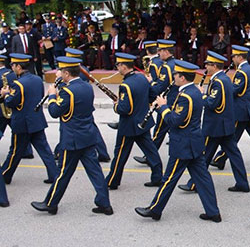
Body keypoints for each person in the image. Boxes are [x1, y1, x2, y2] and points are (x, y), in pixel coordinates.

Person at [135, 59, 221, 222]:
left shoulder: (186, 96)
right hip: (194, 142)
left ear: (182, 78)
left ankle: (155, 209)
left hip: (183, 144)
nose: (173, 77)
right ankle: (213, 212)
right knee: (203, 179)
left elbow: (174, 121)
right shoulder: (194, 91)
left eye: (176, 75)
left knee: (168, 179)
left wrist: (162, 107)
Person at [30, 56, 112, 216]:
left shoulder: (67, 92)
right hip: (87, 135)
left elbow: (55, 112)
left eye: (60, 71)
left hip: (73, 138)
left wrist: (53, 95)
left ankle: (50, 203)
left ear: (66, 73)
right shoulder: (86, 87)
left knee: (63, 173)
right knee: (95, 172)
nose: (58, 73)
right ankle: (105, 204)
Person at [178, 51, 249, 193]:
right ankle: (242, 183)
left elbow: (212, 103)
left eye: (208, 64)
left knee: (202, 156)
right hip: (224, 124)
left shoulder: (218, 81)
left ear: (214, 66)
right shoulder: (224, 78)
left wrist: (200, 95)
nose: (206, 67)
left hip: (215, 125)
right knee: (233, 155)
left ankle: (194, 184)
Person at [104, 53, 163, 190]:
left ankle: (112, 180)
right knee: (151, 151)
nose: (117, 68)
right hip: (142, 121)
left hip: (129, 125)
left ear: (124, 67)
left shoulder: (126, 85)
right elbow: (151, 95)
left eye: (118, 65)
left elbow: (125, 109)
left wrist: (115, 105)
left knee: (120, 155)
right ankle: (157, 177)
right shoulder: (141, 78)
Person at [210, 45, 250, 169]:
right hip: (247, 109)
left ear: (239, 57)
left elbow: (235, 90)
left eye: (234, 56)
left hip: (241, 110)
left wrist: (224, 86)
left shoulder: (242, 72)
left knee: (231, 138)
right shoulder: (248, 69)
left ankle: (220, 158)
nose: (232, 58)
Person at [1, 53, 58, 186]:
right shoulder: (38, 79)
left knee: (15, 151)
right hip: (36, 120)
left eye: (13, 65)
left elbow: (11, 102)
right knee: (45, 150)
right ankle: (54, 175)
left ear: (19, 67)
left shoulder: (18, 84)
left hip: (22, 122)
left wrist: (6, 94)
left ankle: (5, 175)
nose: (12, 68)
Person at [136, 39, 177, 164]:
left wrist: (150, 81)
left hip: (167, 101)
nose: (158, 53)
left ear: (166, 51)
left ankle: (150, 157)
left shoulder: (166, 68)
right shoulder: (175, 63)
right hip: (175, 100)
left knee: (159, 131)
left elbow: (159, 87)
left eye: (160, 51)